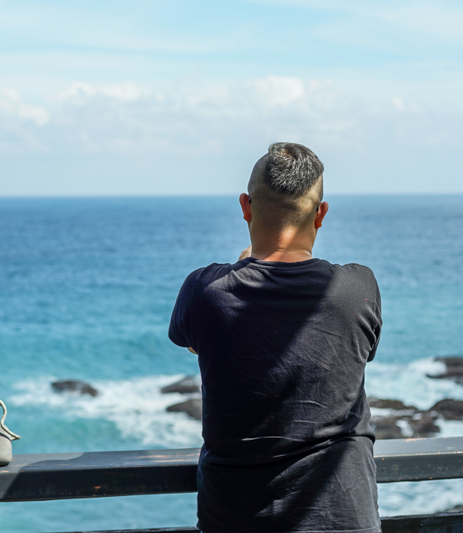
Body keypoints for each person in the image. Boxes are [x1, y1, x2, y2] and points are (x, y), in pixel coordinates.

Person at [169, 142, 382, 533]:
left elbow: (199, 344)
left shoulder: (205, 291)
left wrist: (242, 265)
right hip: (344, 517)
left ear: (246, 207)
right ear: (321, 214)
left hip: (234, 519)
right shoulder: (358, 288)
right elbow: (355, 354)